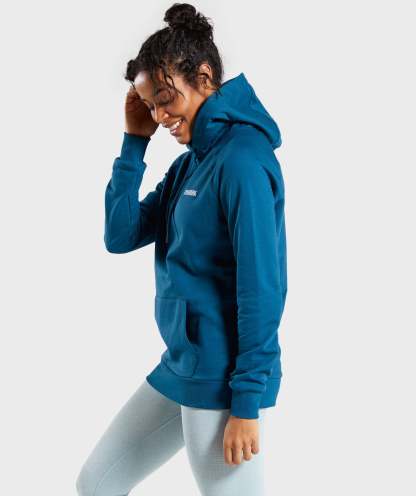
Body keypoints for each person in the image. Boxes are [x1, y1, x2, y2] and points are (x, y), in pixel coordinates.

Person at [76, 3, 287, 495]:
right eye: (151, 106)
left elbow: (262, 287)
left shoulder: (241, 162)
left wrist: (246, 402)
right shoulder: (191, 165)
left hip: (222, 377)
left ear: (204, 77)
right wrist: (134, 142)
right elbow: (120, 236)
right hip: (182, 364)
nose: (160, 116)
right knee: (96, 483)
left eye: (166, 99)